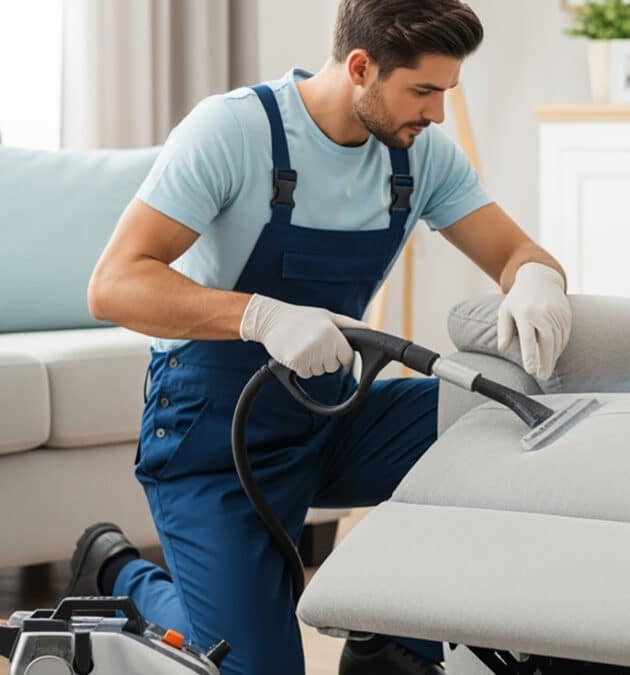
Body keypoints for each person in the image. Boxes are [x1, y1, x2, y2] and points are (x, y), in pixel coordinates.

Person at [64, 1, 572, 673]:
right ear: (360, 67)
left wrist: (537, 279)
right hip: (214, 436)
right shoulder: (235, 131)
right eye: (423, 90)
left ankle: (391, 634)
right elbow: (113, 285)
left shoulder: (419, 157)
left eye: (446, 91)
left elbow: (517, 253)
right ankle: (120, 576)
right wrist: (261, 316)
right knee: (255, 666)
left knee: (497, 418)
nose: (438, 113)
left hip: (332, 414)